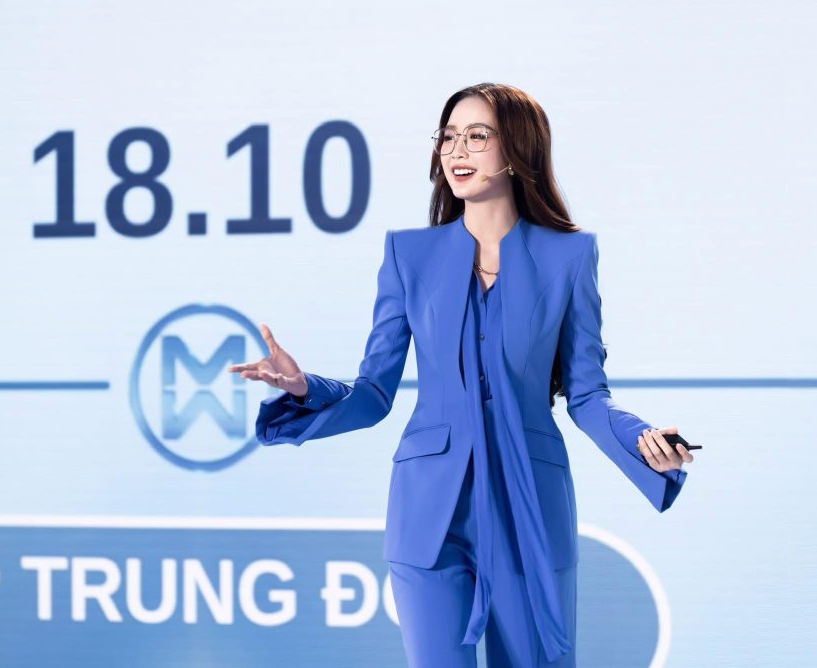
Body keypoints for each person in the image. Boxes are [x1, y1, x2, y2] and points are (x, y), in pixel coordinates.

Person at [227, 82, 694, 668]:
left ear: (517, 149)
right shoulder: (408, 255)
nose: (456, 150)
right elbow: (373, 393)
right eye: (448, 137)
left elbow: (587, 394)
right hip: (429, 513)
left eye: (477, 135)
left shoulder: (570, 257)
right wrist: (302, 387)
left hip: (530, 503)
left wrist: (644, 441)